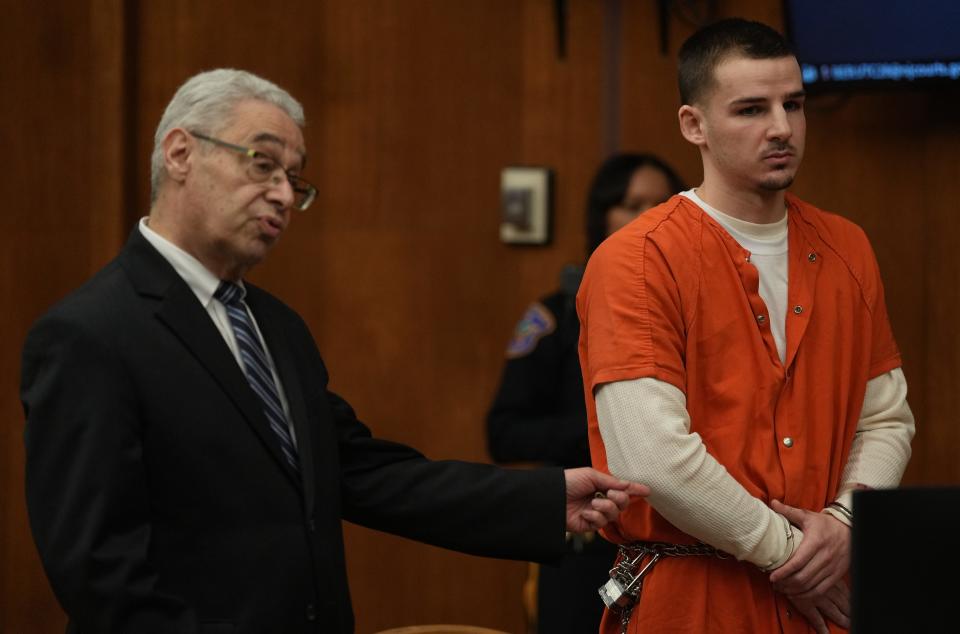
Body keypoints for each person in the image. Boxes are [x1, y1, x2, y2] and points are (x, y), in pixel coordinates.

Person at [19, 69, 649, 634]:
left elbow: (365, 474)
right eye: (261, 165)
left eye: (294, 180)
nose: (284, 197)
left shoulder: (275, 326)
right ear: (181, 153)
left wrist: (543, 499)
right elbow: (99, 571)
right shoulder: (90, 333)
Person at [576, 18, 915, 634]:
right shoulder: (637, 257)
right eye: (752, 109)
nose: (782, 128)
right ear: (693, 125)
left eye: (794, 105)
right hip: (694, 593)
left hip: (825, 582)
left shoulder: (847, 247)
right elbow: (654, 458)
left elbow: (886, 418)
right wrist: (789, 553)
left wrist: (844, 523)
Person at [486, 152, 684, 633]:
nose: (649, 216)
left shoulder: (697, 313)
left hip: (683, 544)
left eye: (662, 203)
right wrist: (610, 430)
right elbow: (505, 435)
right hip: (587, 542)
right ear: (603, 218)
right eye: (632, 204)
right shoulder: (556, 317)